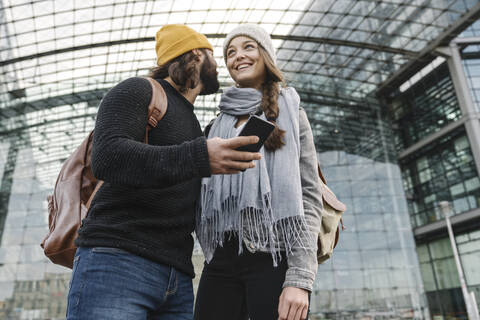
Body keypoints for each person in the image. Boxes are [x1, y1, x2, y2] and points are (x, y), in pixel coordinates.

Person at [66, 24, 262, 320]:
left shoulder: (195, 123)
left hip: (177, 278)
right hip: (117, 261)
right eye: (213, 55)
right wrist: (200, 156)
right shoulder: (138, 89)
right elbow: (108, 158)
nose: (218, 65)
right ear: (197, 55)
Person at [194, 25, 323, 320]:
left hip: (273, 256)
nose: (237, 56)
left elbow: (309, 196)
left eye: (248, 47)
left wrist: (300, 280)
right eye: (230, 52)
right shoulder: (217, 125)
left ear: (266, 55)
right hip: (221, 259)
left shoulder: (291, 109)